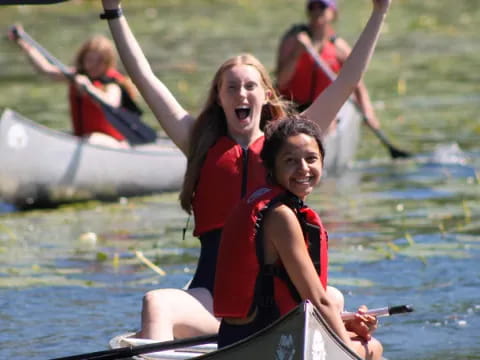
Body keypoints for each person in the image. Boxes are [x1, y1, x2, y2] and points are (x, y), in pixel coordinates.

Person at [100, 0, 391, 341]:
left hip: (277, 298)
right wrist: (113, 11)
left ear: (267, 95)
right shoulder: (199, 143)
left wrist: (379, 12)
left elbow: (346, 81)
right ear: (219, 98)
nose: (242, 93)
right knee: (157, 304)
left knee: (334, 296)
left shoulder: (290, 145)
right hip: (215, 302)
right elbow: (144, 78)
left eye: (250, 86)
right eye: (232, 87)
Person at [214, 116, 383, 359]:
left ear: (322, 162)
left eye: (311, 159)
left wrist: (347, 324)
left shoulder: (261, 204)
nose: (303, 168)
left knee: (347, 324)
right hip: (268, 345)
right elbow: (318, 300)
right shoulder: (281, 217)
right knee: (372, 347)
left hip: (238, 339)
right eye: (290, 161)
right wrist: (350, 352)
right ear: (272, 167)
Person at [7, 25, 140, 148]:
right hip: (84, 141)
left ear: (108, 62)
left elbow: (111, 103)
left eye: (99, 61)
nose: (93, 65)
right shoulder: (76, 76)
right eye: (90, 60)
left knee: (92, 139)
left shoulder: (113, 84)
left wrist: (89, 88)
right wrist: (23, 44)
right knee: (74, 139)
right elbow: (46, 69)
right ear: (83, 59)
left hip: (113, 144)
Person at [276, 0, 382, 130]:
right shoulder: (292, 41)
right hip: (291, 108)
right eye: (312, 7)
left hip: (322, 111)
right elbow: (281, 82)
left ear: (333, 12)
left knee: (329, 123)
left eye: (321, 6)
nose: (316, 11)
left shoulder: (339, 47)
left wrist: (368, 111)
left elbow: (358, 84)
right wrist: (296, 55)